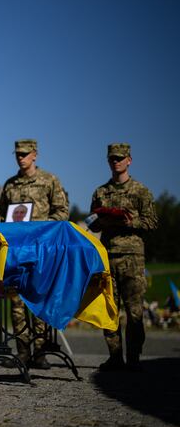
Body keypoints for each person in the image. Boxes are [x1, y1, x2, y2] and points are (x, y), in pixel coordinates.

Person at [0, 139, 68, 370]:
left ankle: (40, 352)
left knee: (37, 299)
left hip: (40, 250)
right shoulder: (10, 185)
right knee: (17, 303)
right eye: (18, 153)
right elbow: (0, 215)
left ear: (35, 155)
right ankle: (23, 352)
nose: (21, 157)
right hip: (17, 252)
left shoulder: (49, 181)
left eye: (25, 154)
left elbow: (62, 212)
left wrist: (44, 228)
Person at [88, 143, 157, 371]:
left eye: (120, 158)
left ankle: (134, 358)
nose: (115, 161)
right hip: (107, 255)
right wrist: (101, 222)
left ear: (129, 160)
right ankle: (115, 357)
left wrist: (131, 222)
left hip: (132, 258)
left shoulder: (140, 191)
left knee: (134, 311)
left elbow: (152, 222)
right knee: (109, 309)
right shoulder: (100, 192)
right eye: (112, 159)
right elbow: (92, 223)